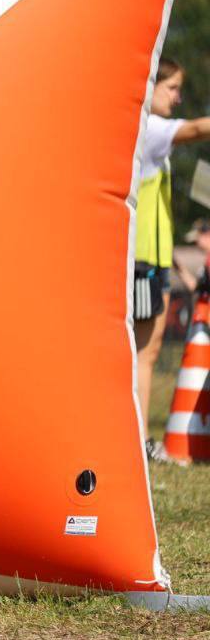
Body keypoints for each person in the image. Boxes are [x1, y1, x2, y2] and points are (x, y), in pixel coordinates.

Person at [134, 57, 210, 449]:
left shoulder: (154, 139)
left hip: (155, 260)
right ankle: (138, 440)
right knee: (143, 354)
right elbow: (196, 129)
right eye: (172, 88)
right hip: (143, 261)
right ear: (151, 86)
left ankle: (140, 438)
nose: (178, 97)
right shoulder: (151, 129)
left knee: (147, 352)